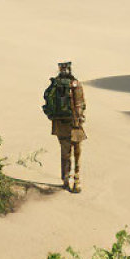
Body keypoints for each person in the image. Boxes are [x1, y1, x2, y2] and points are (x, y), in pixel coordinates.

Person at [42, 61, 87, 192]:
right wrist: (80, 119)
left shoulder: (54, 85)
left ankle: (66, 179)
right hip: (74, 123)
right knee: (77, 152)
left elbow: (47, 101)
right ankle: (77, 179)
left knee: (65, 153)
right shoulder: (75, 84)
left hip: (59, 123)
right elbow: (80, 104)